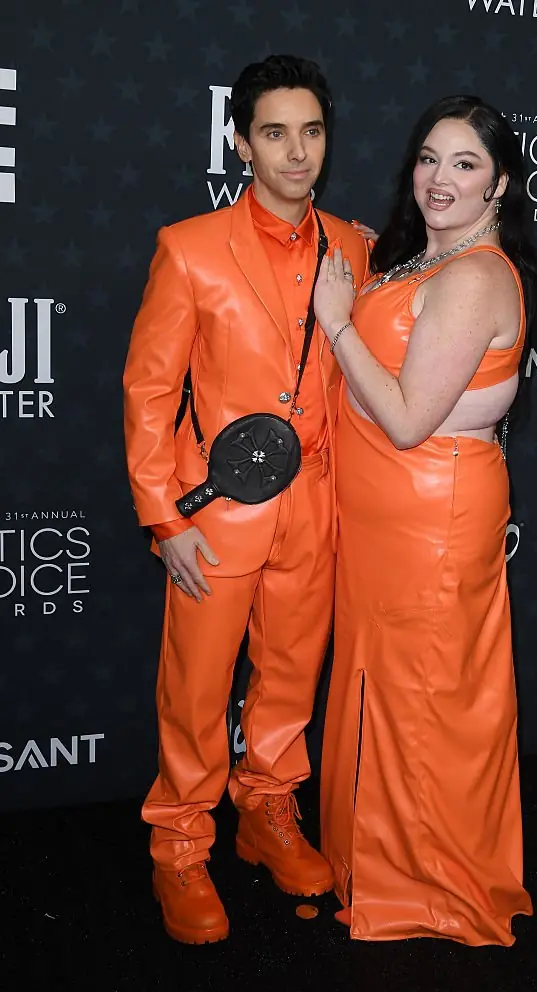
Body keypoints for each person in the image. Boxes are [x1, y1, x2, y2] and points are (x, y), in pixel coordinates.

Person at [123, 55, 369, 944]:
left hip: (317, 504)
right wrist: (164, 517)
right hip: (216, 513)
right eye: (274, 133)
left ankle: (267, 810)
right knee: (195, 692)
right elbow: (150, 391)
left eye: (311, 132)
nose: (296, 152)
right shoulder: (189, 248)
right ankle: (180, 847)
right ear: (240, 142)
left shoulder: (355, 247)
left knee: (291, 676)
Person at [313, 95, 537, 946]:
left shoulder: (474, 277)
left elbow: (408, 419)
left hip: (430, 517)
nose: (439, 179)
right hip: (388, 517)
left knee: (422, 695)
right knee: (389, 682)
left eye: (465, 164)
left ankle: (425, 883)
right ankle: (377, 863)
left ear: (499, 184)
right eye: (428, 158)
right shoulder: (425, 259)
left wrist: (337, 323)